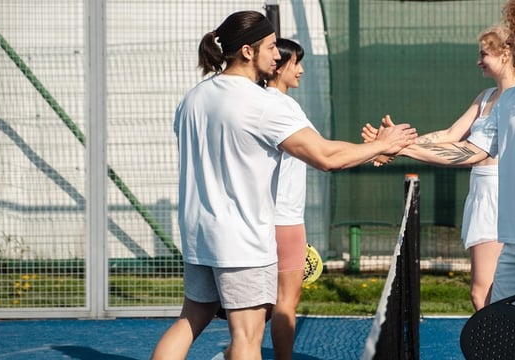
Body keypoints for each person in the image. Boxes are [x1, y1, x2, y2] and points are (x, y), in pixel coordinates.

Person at [150, 10, 417, 360]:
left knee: (191, 319)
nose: (279, 56)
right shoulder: (264, 105)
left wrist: (372, 149)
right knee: (247, 336)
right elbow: (325, 157)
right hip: (242, 241)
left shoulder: (193, 99)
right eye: (272, 46)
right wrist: (382, 145)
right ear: (248, 51)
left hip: (199, 235)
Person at [362, 26, 515, 310]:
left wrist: (397, 147)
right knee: (490, 292)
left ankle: (498, 349)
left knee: (485, 293)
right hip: (482, 195)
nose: (478, 61)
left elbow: (470, 153)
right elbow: (450, 134)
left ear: (505, 53)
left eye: (483, 54)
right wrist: (394, 143)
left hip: (502, 197)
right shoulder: (485, 96)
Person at [264, 38, 310, 360]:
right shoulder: (282, 106)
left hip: (270, 219)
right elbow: (324, 153)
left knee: (260, 305)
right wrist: (378, 148)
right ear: (279, 66)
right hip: (286, 220)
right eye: (297, 63)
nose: (302, 70)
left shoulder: (263, 102)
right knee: (285, 303)